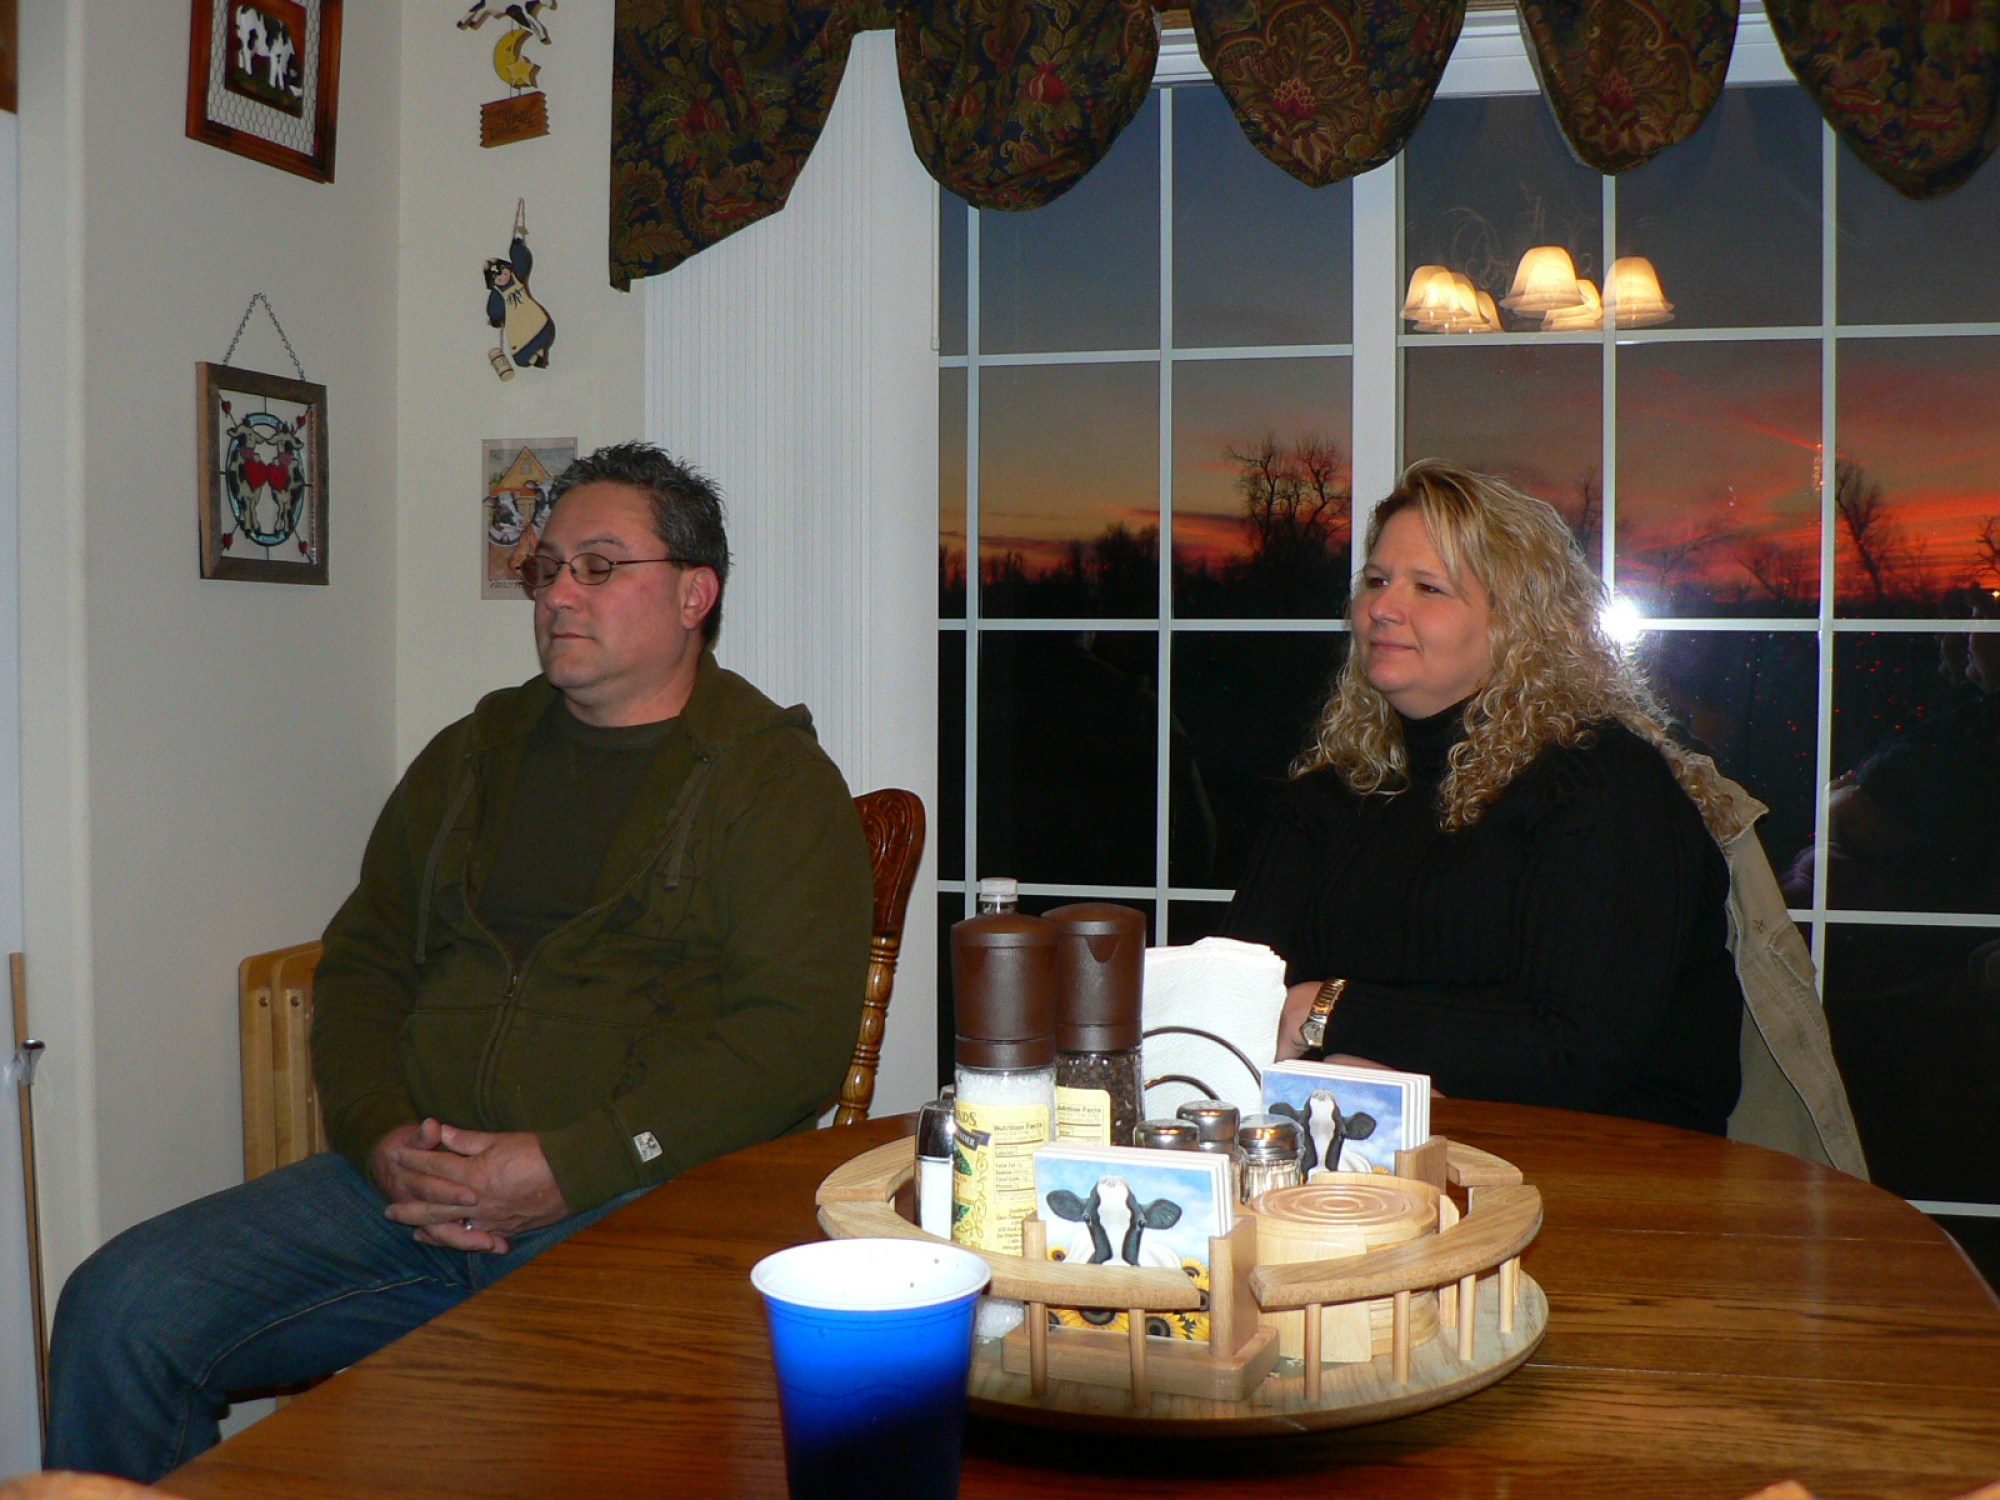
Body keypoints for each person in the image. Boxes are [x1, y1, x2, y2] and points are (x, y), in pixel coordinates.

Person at [47, 442, 873, 1481]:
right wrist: (379, 1135)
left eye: (598, 566)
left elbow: (790, 1044)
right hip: (404, 1194)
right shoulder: (472, 755)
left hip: (632, 1200)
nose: (558, 593)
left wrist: (569, 1168)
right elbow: (363, 961)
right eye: (547, 567)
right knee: (122, 1305)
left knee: (517, 1434)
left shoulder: (771, 783)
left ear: (693, 594)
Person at [1223, 460, 1745, 1135]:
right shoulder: (1333, 793)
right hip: (1364, 1162)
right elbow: (1230, 998)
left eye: (1427, 587)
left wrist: (1329, 1010)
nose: (1382, 607)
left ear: (1515, 623)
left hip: (1608, 1167)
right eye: (1376, 580)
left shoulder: (1602, 786)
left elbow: (1575, 1051)